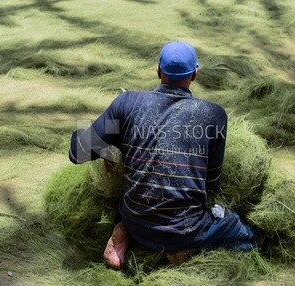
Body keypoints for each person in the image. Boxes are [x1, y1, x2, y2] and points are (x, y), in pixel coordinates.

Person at [69, 41, 260, 269]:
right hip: (185, 230)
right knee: (249, 237)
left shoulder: (126, 103)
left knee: (132, 189)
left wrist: (108, 149)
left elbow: (77, 152)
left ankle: (123, 230)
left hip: (136, 220)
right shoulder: (214, 114)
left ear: (158, 71)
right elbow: (211, 184)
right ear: (195, 75)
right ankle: (182, 247)